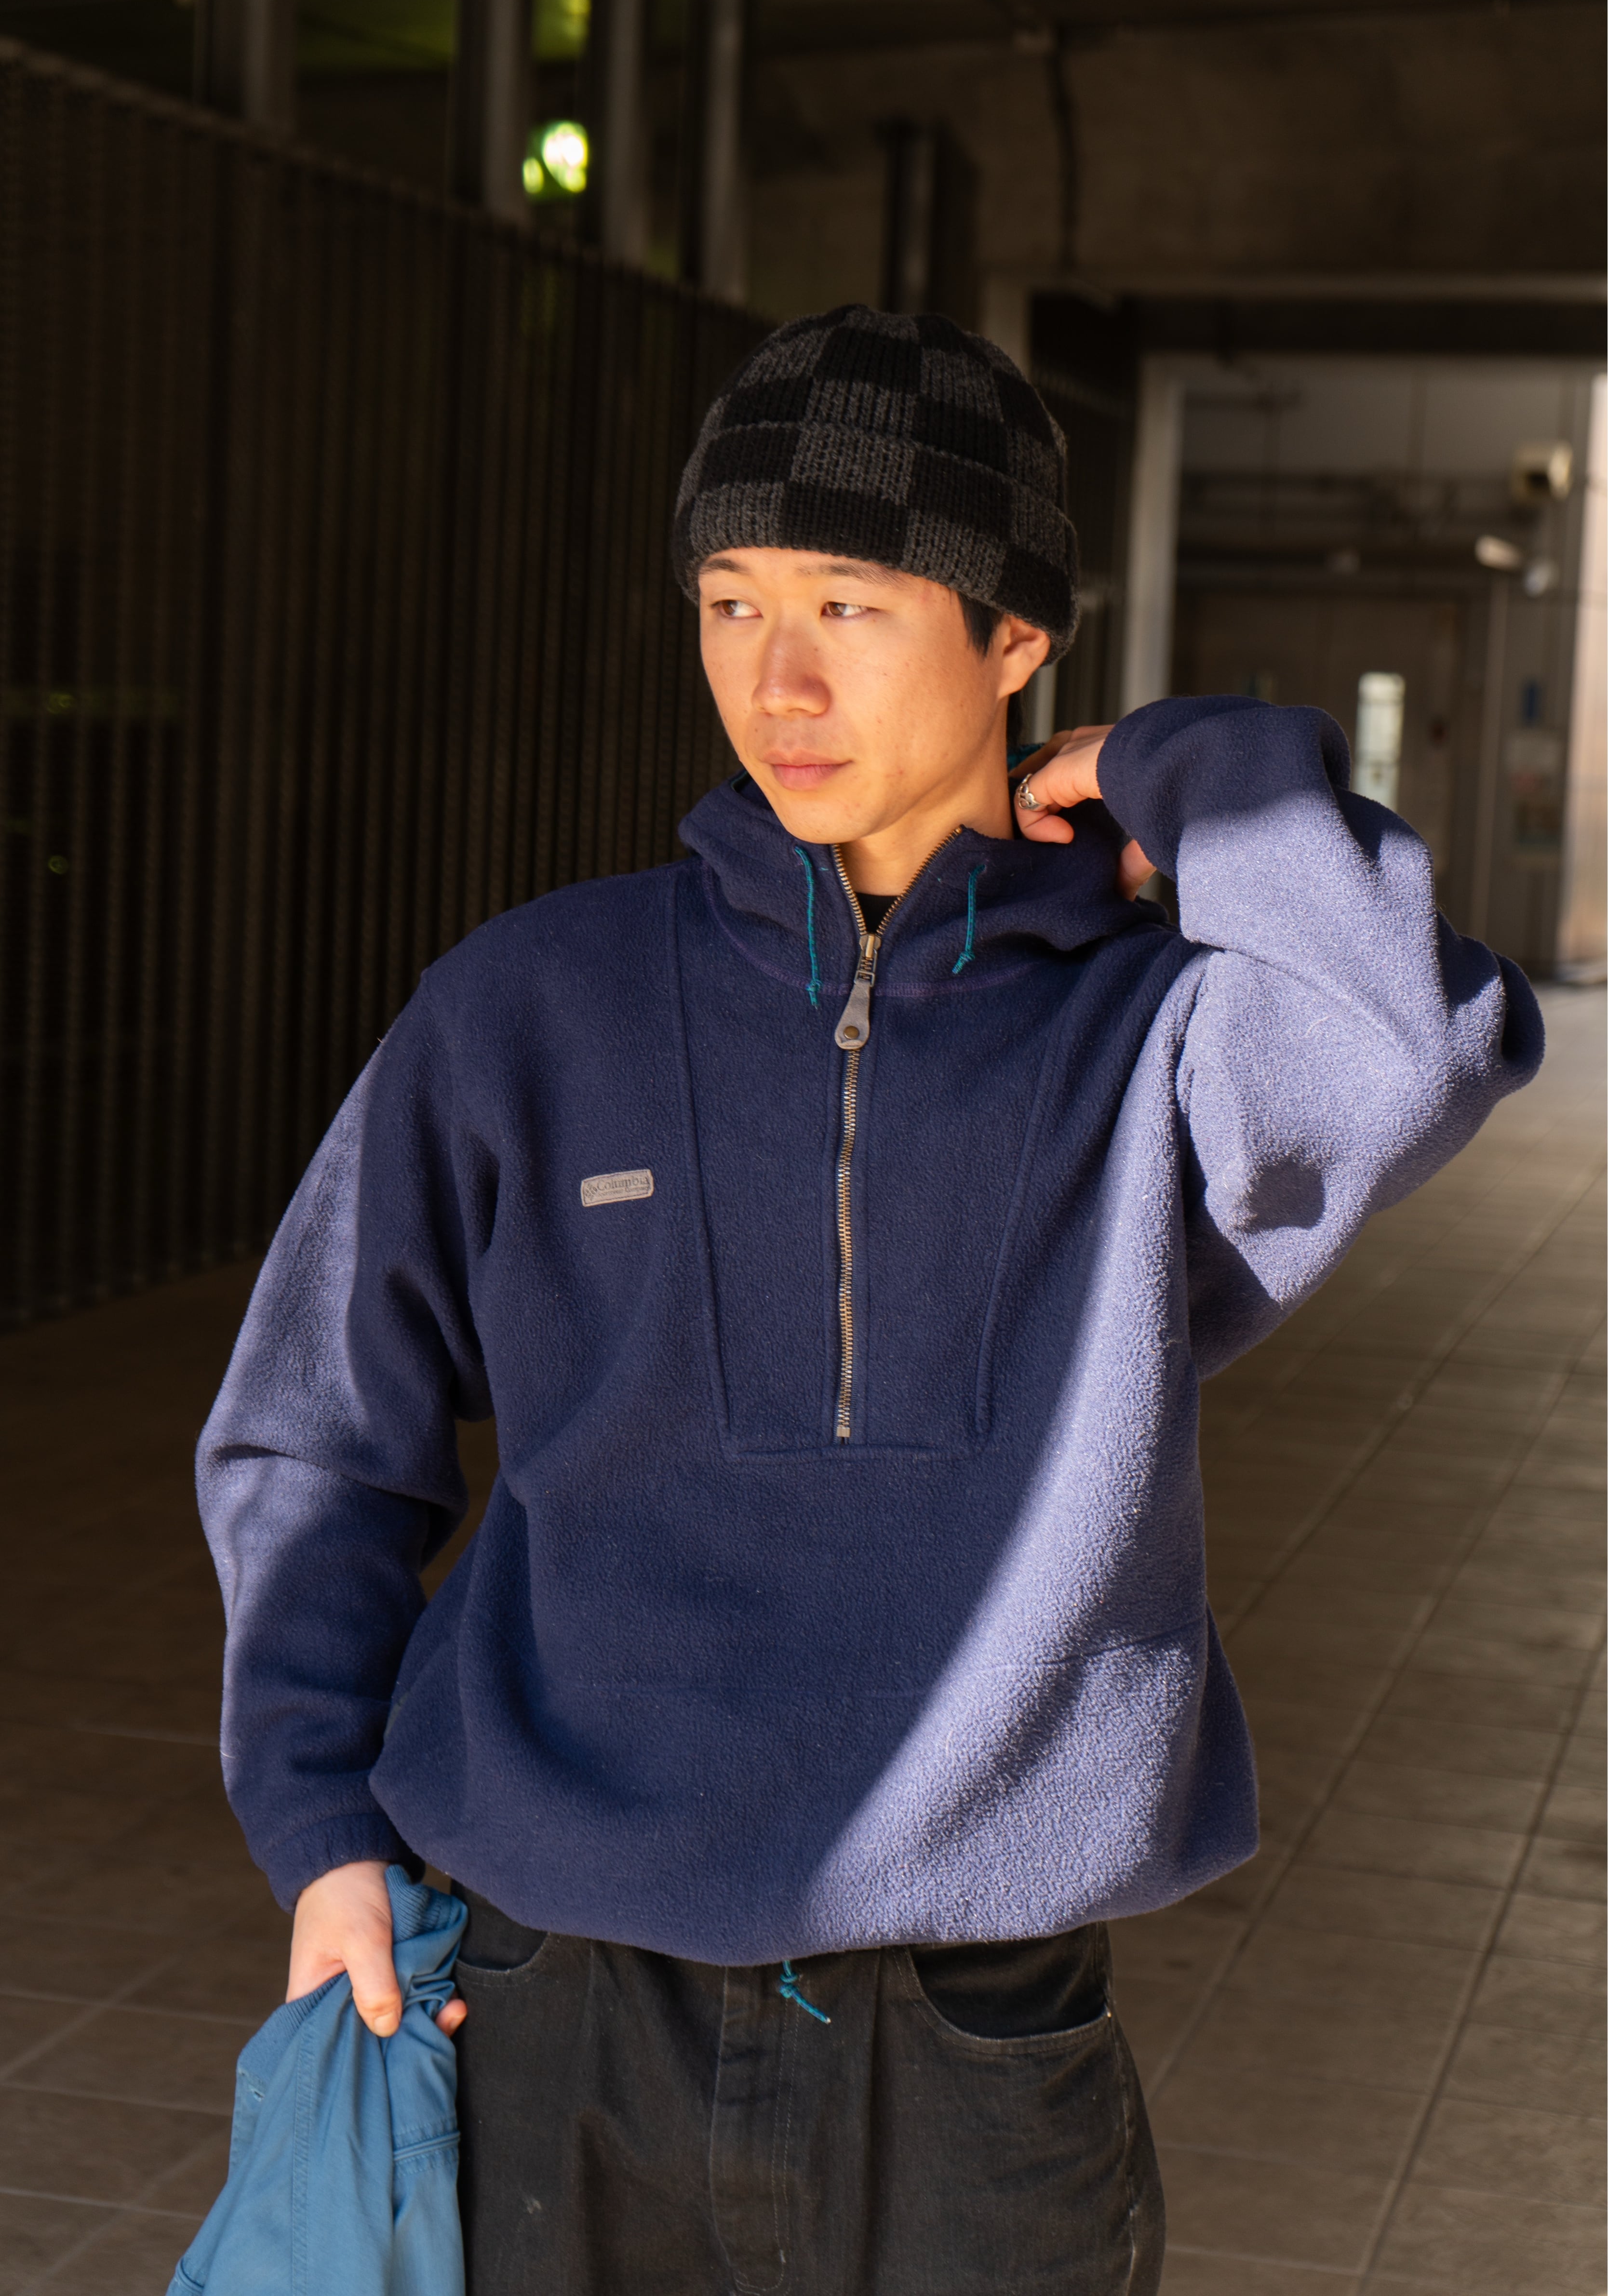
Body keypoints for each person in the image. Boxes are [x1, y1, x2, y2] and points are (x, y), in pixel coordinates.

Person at [198, 304, 1542, 2295]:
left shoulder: (1159, 1041)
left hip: (974, 2043)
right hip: (557, 2002)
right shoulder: (532, 1005)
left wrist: (1173, 762)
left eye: (849, 603)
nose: (780, 677)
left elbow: (1413, 1035)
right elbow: (316, 1428)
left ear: (1017, 636)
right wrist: (320, 1825)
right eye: (731, 603)